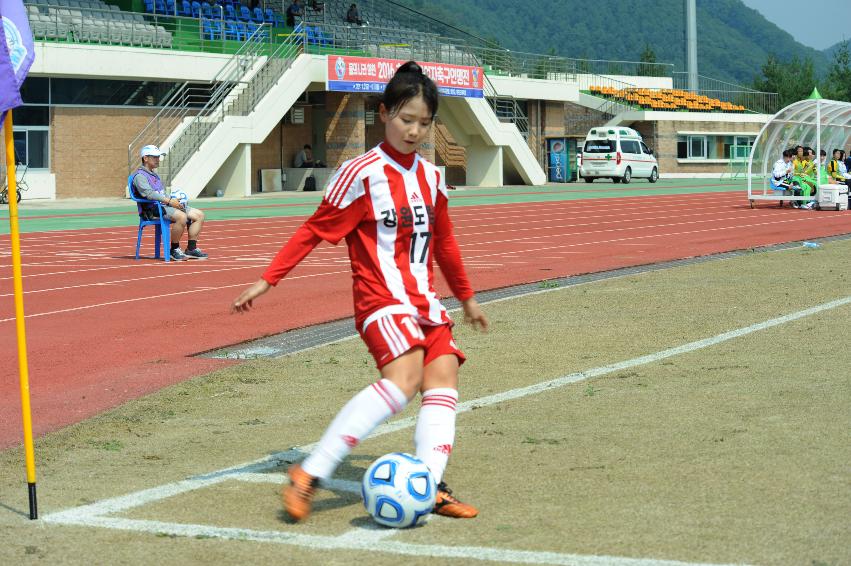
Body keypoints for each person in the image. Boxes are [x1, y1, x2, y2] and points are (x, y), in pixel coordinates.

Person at [232, 61, 488, 522]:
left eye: (424, 123)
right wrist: (270, 278)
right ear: (384, 113)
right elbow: (313, 230)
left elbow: (445, 241)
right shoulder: (361, 173)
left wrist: (466, 297)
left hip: (424, 302)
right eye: (406, 119)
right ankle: (310, 472)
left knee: (444, 377)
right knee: (404, 381)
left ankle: (428, 484)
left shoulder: (432, 178)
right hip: (380, 300)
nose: (414, 130)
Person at [131, 145, 208, 261]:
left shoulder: (154, 175)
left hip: (164, 205)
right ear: (145, 158)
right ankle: (174, 249)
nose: (158, 159)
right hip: (152, 209)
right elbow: (149, 194)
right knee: (182, 217)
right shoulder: (139, 176)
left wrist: (175, 200)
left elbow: (160, 193)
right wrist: (170, 201)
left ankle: (191, 249)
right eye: (155, 157)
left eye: (158, 157)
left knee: (199, 215)